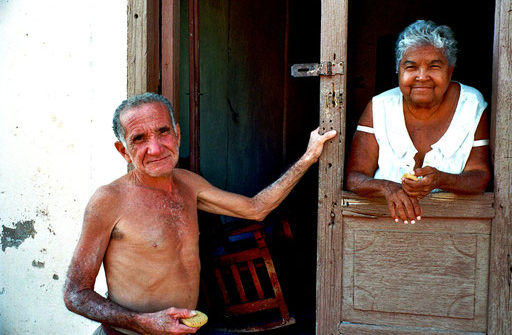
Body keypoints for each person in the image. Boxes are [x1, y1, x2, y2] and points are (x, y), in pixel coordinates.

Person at [63, 92, 336, 335]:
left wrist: (308, 158)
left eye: (163, 132)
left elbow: (256, 209)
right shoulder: (109, 200)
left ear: (178, 134)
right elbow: (75, 293)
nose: (156, 148)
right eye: (139, 139)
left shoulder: (188, 183)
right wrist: (140, 322)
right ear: (123, 151)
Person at [345, 20, 491, 225]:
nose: (422, 77)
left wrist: (441, 180)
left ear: (450, 71)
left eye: (434, 66)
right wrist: (388, 188)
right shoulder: (380, 107)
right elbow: (354, 177)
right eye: (411, 66)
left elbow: (480, 176)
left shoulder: (471, 104)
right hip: (379, 230)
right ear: (398, 70)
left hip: (455, 233)